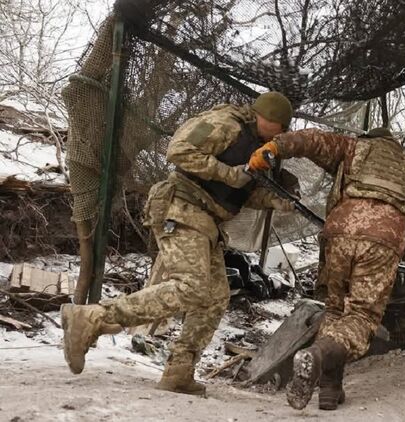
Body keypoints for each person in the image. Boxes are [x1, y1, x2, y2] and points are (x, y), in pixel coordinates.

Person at [61, 91, 296, 395]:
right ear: (269, 119)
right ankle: (91, 317)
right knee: (192, 286)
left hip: (206, 220)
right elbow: (179, 150)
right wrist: (228, 173)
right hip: (181, 205)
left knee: (213, 298)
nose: (282, 135)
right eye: (281, 128)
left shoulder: (260, 147)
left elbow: (243, 190)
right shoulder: (228, 124)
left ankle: (179, 371)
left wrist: (280, 200)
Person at [249, 126, 405, 410]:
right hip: (383, 238)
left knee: (334, 310)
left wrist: (275, 147)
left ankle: (330, 390)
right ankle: (318, 355)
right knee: (362, 316)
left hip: (339, 233)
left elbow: (313, 141)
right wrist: (393, 246)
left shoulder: (353, 147)